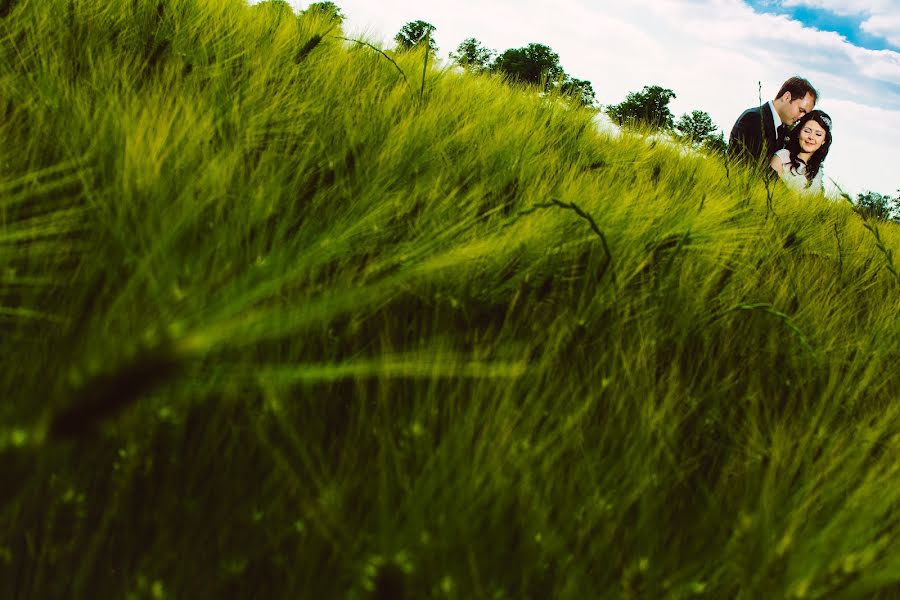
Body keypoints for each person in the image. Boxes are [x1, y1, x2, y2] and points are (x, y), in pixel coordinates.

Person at [728, 76, 818, 169]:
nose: (801, 117)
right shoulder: (754, 119)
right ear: (786, 97)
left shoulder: (784, 131)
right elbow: (751, 167)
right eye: (801, 110)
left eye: (805, 114)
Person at [769, 110, 832, 195]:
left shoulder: (818, 171)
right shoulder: (782, 158)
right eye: (807, 131)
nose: (811, 137)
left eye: (818, 134)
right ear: (799, 133)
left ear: (824, 140)